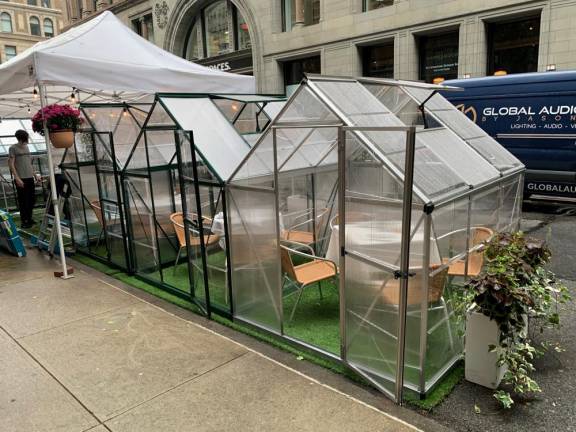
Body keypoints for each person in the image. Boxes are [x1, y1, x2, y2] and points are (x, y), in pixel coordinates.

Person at [8, 130, 38, 228]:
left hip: (29, 177)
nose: (26, 141)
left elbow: (29, 162)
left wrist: (35, 174)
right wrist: (17, 178)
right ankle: (24, 221)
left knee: (32, 199)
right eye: (24, 139)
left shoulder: (27, 147)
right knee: (23, 200)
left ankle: (29, 218)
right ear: (20, 138)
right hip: (21, 178)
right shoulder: (13, 148)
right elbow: (11, 164)